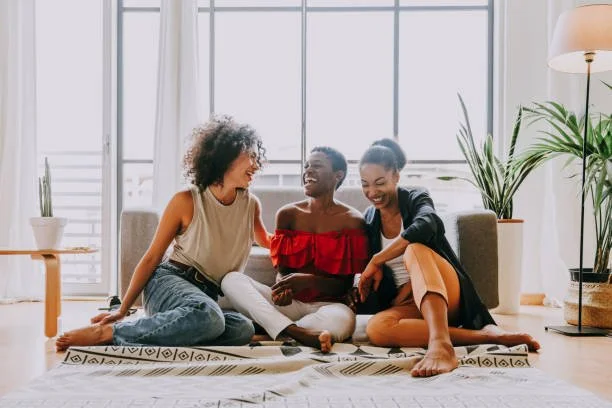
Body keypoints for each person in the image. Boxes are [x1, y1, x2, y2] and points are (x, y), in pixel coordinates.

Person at [56, 116, 271, 351]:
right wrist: (122, 310)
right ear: (225, 156)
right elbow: (152, 257)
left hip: (204, 296)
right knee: (209, 317)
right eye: (250, 156)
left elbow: (271, 243)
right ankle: (106, 333)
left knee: (242, 329)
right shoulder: (187, 201)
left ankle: (161, 328)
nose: (256, 164)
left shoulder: (251, 205)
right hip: (169, 283)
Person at [357, 138, 540, 377]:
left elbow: (427, 224)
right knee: (377, 329)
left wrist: (378, 259)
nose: (372, 192)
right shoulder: (369, 218)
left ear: (396, 176)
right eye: (365, 184)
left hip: (444, 291)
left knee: (415, 248)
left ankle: (441, 345)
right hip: (408, 305)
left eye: (379, 183)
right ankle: (486, 336)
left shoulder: (415, 196)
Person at [221, 147, 368, 352]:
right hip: (288, 306)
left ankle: (272, 329)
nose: (308, 171)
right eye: (306, 166)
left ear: (338, 175)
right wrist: (283, 289)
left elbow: (344, 286)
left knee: (344, 322)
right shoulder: (288, 214)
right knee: (231, 280)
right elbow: (283, 271)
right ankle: (297, 333)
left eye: (316, 166)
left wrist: (307, 280)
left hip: (328, 307)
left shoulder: (353, 221)